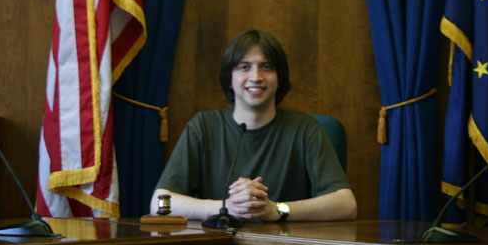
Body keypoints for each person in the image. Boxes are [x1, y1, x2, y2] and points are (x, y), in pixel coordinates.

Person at [152, 29, 357, 223]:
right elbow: (159, 203)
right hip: (216, 244)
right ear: (230, 79)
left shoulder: (306, 129)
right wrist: (226, 208)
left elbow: (346, 204)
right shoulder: (203, 127)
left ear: (279, 78)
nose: (256, 77)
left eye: (266, 67)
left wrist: (276, 210)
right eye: (244, 67)